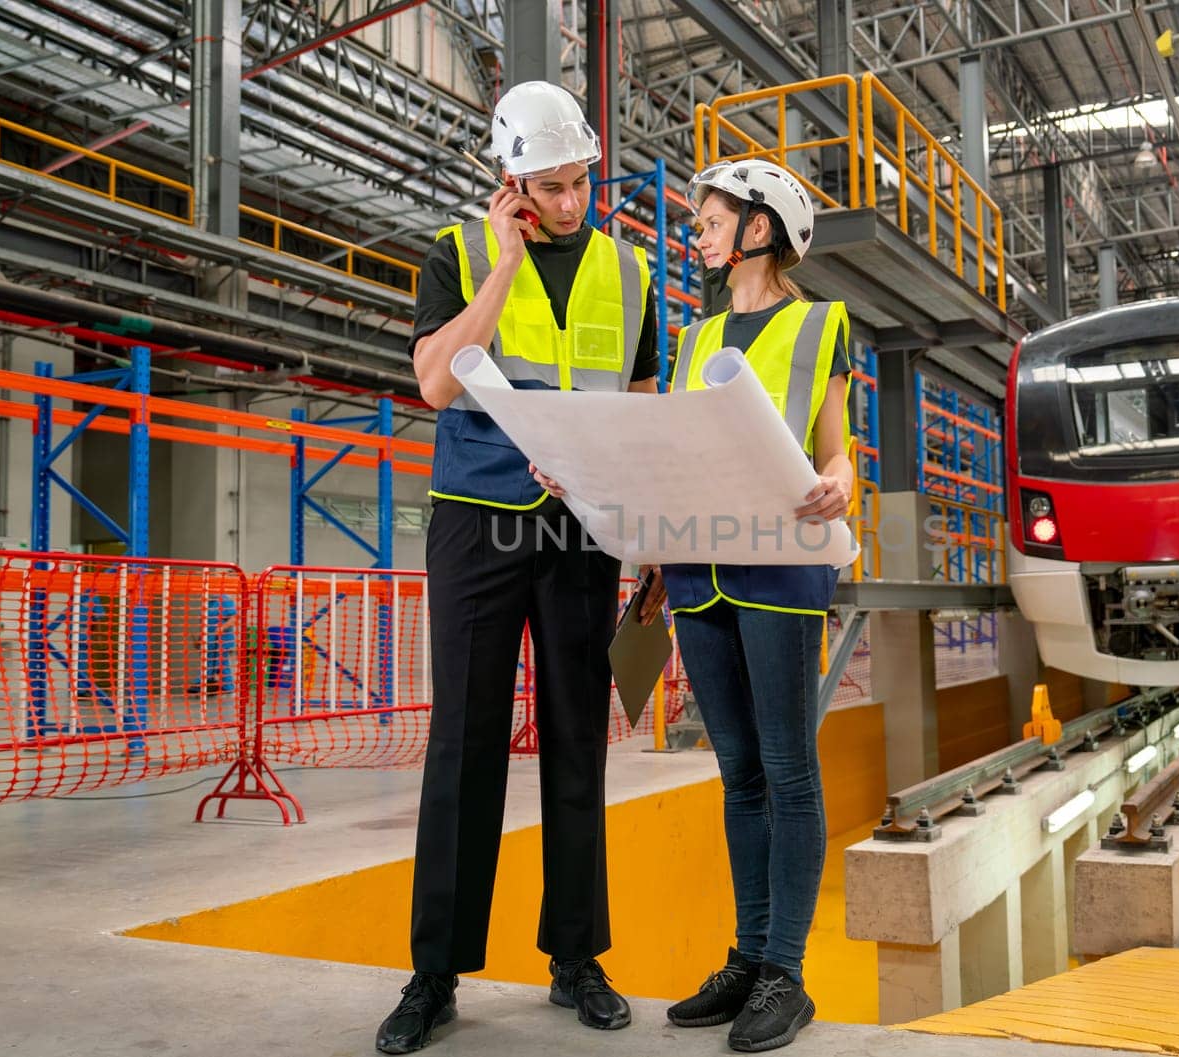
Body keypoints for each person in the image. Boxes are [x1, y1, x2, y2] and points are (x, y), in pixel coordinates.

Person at [375, 80, 664, 1055]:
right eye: (548, 185)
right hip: (474, 520)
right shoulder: (456, 255)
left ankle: (576, 958)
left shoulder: (630, 272)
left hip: (579, 521)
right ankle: (434, 972)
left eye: (580, 180)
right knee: (462, 739)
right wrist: (500, 265)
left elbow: (640, 397)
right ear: (510, 182)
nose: (570, 200)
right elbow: (432, 380)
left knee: (578, 739)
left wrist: (607, 473)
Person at [659, 160, 853, 1053]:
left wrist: (841, 483)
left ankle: (785, 971)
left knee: (788, 766)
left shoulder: (821, 324)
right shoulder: (695, 338)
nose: (699, 230)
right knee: (736, 768)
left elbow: (836, 450)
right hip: (699, 571)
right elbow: (672, 447)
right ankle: (746, 955)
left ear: (761, 229)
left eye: (713, 217)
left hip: (779, 568)